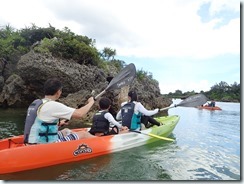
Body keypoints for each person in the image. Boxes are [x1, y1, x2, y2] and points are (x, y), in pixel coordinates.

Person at [25, 77, 95, 144]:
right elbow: (80, 114)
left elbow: (41, 122)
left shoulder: (37, 102)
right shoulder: (53, 105)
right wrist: (91, 102)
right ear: (58, 92)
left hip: (33, 141)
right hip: (44, 144)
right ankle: (103, 143)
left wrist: (58, 123)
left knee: (66, 131)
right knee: (84, 134)